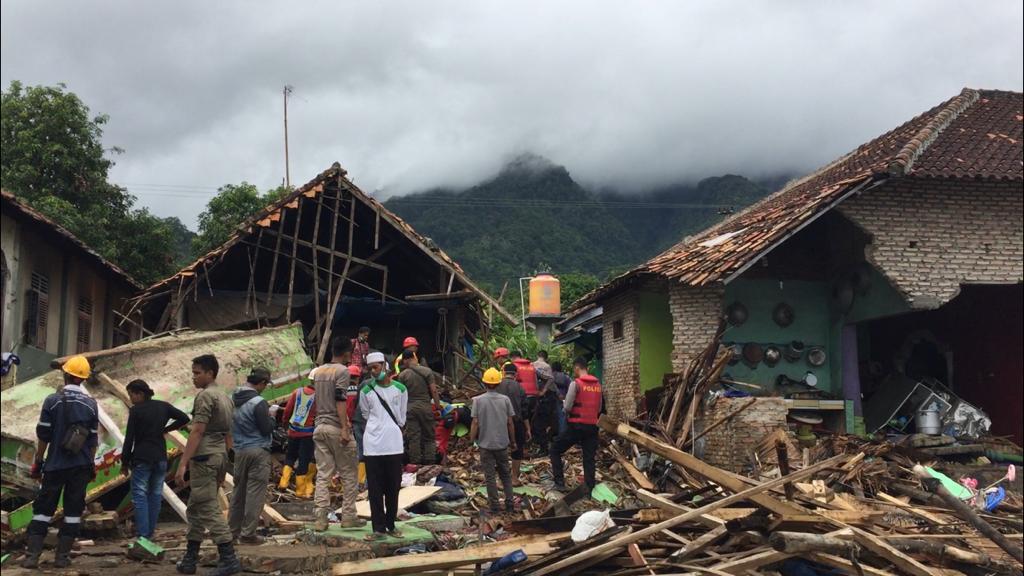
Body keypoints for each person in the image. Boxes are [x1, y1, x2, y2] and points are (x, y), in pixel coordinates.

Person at [21, 356, 99, 569]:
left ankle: (32, 557)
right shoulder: (91, 405)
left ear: (66, 375)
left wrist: (38, 461)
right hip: (81, 466)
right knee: (73, 512)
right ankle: (62, 558)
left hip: (55, 465)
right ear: (82, 380)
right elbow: (93, 440)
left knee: (43, 510)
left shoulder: (52, 401)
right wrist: (90, 465)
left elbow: (43, 434)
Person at [175, 354, 240, 575]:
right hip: (219, 455)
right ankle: (190, 559)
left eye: (197, 373)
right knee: (195, 507)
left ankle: (228, 556)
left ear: (210, 373)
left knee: (208, 507)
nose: (193, 377)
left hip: (204, 457)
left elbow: (198, 430)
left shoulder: (205, 397)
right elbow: (229, 434)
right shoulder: (225, 397)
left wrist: (183, 463)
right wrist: (224, 464)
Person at [122, 379, 190, 540]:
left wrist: (124, 462)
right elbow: (184, 418)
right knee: (155, 494)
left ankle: (143, 535)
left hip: (142, 457)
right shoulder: (163, 406)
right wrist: (166, 429)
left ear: (139, 394)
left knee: (139, 495)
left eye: (131, 394)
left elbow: (129, 438)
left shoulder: (136, 411)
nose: (130, 398)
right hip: (160, 457)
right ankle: (150, 532)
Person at [312, 338, 364, 530]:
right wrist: (344, 427)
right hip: (335, 426)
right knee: (349, 472)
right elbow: (340, 398)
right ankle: (349, 516)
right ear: (347, 354)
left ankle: (320, 518)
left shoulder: (319, 372)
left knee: (323, 474)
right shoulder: (342, 371)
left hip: (319, 427)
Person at [360, 352, 408, 539]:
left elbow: (402, 416)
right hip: (372, 445)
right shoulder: (366, 391)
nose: (373, 371)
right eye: (370, 368)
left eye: (376, 367)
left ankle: (391, 525)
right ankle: (378, 528)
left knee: (393, 487)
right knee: (375, 489)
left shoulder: (401, 389)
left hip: (394, 444)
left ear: (385, 365)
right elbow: (365, 414)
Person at [229, 368, 274, 544]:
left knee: (238, 493)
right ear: (261, 383)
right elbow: (266, 428)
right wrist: (272, 416)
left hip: (239, 450)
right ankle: (248, 534)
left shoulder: (233, 399)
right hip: (258, 450)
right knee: (255, 493)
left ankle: (232, 532)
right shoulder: (259, 402)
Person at [550, 357, 603, 492]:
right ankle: (589, 488)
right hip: (592, 427)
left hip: (576, 426)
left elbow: (567, 407)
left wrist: (566, 412)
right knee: (589, 458)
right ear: (587, 368)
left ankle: (560, 483)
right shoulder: (598, 385)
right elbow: (599, 408)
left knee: (555, 450)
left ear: (577, 368)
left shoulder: (576, 384)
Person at [471, 368, 517, 513]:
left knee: (489, 476)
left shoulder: (477, 401)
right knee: (505, 474)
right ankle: (510, 504)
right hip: (502, 444)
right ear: (498, 383)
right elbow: (510, 423)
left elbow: (475, 423)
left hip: (485, 445)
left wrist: (471, 440)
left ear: (484, 383)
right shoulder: (505, 400)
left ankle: (495, 506)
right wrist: (513, 441)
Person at [396, 350, 441, 465]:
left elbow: (400, 395)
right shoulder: (427, 371)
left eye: (403, 361)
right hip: (425, 407)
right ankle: (430, 461)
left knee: (413, 437)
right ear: (414, 358)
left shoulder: (402, 375)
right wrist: (437, 406)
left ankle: (415, 463)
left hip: (410, 409)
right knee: (429, 436)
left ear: (407, 359)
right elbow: (434, 390)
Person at [280, 376, 317, 499]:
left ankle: (283, 482)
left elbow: (288, 411)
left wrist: (285, 424)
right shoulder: (318, 396)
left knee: (290, 456)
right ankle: (300, 491)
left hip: (293, 431)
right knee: (304, 460)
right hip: (307, 434)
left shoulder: (297, 392)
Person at [496, 363, 528, 485]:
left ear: (504, 373)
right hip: (516, 422)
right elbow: (525, 411)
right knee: (517, 450)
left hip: (499, 422)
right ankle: (514, 478)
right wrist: (528, 428)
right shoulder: (520, 388)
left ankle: (500, 479)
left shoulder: (497, 386)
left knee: (500, 450)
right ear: (516, 374)